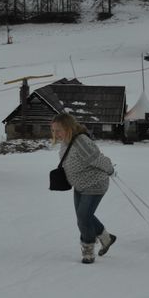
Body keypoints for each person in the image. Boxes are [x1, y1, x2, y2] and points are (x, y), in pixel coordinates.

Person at [50, 113, 116, 264]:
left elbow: (98, 159)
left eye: (58, 130)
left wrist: (111, 170)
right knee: (85, 216)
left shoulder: (81, 141)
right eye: (53, 130)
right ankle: (107, 238)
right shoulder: (66, 141)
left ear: (68, 127)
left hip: (95, 183)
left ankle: (88, 249)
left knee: (83, 218)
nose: (56, 134)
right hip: (79, 185)